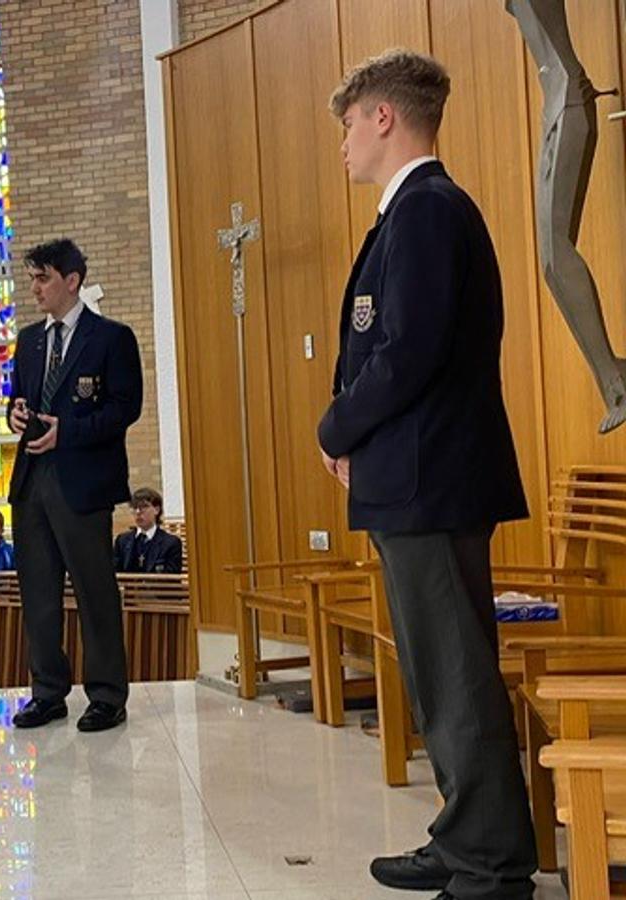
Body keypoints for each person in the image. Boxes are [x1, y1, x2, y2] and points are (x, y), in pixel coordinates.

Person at [317, 50, 536, 900]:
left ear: (384, 117)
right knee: (439, 673)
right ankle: (465, 835)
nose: (343, 142)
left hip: (431, 479)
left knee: (455, 677)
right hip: (418, 477)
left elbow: (407, 351)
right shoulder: (414, 212)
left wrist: (336, 426)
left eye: (348, 124)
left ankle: (490, 868)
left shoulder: (428, 211)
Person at [7, 238, 143, 733]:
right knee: (39, 594)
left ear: (72, 280)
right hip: (32, 481)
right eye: (32, 279)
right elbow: (18, 398)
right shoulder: (29, 340)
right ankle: (48, 691)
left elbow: (125, 408)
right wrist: (15, 414)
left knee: (94, 591)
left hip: (83, 481)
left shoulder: (110, 338)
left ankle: (106, 694)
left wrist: (69, 432)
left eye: (43, 278)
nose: (35, 288)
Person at [113, 488, 182, 573]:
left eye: (144, 507)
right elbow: (115, 571)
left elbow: (172, 576)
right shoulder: (122, 541)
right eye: (135, 507)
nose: (138, 512)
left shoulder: (171, 543)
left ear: (156, 510)